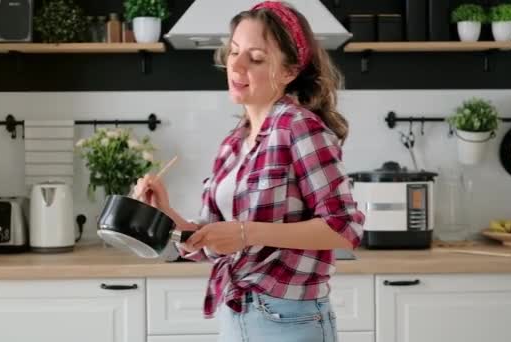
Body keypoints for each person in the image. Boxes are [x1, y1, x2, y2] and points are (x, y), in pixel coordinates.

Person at [134, 1, 365, 341]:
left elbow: (344, 227)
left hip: (290, 319)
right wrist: (163, 212)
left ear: (289, 71)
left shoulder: (299, 127)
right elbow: (210, 242)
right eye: (234, 52)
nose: (236, 65)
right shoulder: (234, 142)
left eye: (255, 57)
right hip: (238, 312)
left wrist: (247, 233)